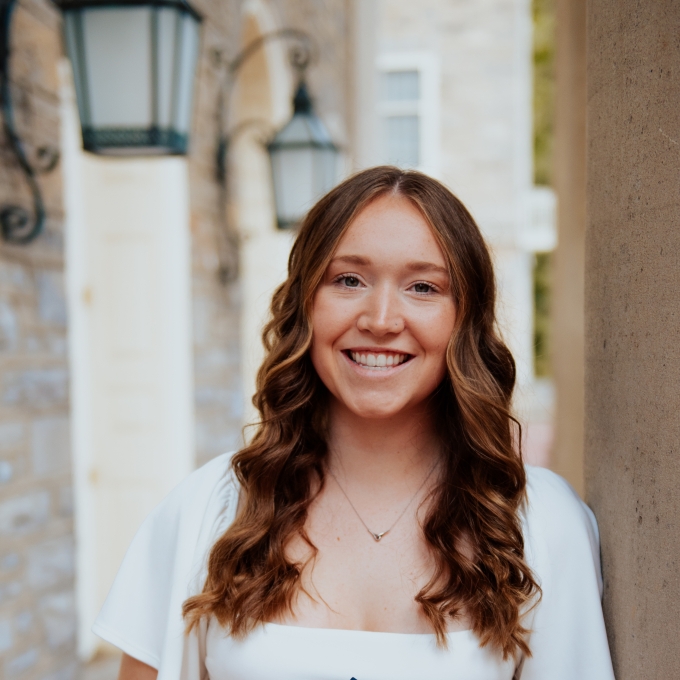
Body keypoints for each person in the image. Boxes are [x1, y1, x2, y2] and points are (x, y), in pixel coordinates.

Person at [96, 167, 615, 680]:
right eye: (349, 280)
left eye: (423, 287)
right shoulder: (206, 512)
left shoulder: (539, 524)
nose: (382, 319)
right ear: (305, 305)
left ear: (465, 320)